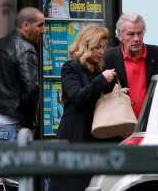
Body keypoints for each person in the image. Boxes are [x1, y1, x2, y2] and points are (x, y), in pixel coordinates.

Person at [48, 25, 120, 191]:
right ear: (85, 46)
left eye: (103, 47)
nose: (101, 52)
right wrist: (102, 80)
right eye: (96, 48)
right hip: (76, 138)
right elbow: (78, 98)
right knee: (72, 185)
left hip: (99, 138)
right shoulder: (71, 67)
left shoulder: (101, 69)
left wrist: (117, 93)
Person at [0, 7, 45, 141]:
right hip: (7, 124)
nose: (43, 30)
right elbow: (32, 89)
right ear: (26, 26)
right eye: (40, 25)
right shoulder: (26, 49)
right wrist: (31, 124)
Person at [105, 12, 158, 119]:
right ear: (119, 35)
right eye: (131, 34)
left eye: (139, 33)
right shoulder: (107, 58)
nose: (136, 39)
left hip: (152, 126)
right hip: (118, 127)